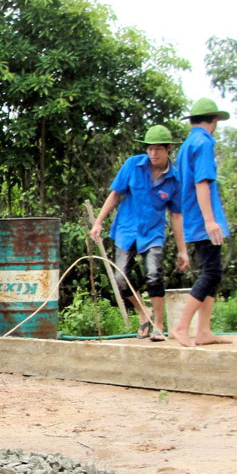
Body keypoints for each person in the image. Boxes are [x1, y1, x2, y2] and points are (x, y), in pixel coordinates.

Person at [91, 125, 189, 341]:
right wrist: (98, 222)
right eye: (150, 149)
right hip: (127, 228)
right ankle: (144, 311)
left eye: (158, 149)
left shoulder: (175, 179)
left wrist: (183, 251)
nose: (153, 153)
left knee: (154, 275)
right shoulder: (133, 165)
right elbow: (115, 195)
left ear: (168, 149)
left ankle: (159, 326)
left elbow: (176, 216)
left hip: (153, 232)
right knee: (119, 277)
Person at [170, 98, 233, 348]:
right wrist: (210, 221)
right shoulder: (204, 143)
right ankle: (182, 326)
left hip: (194, 219)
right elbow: (202, 183)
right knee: (212, 273)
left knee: (213, 272)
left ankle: (204, 331)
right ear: (214, 120)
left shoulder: (187, 144)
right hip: (202, 219)